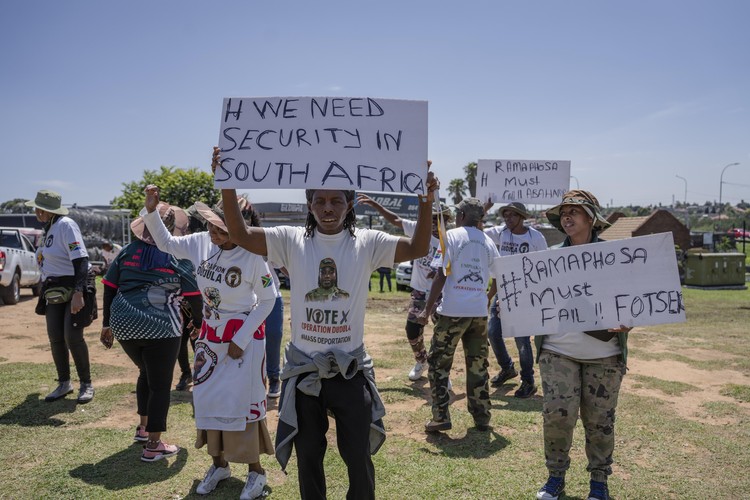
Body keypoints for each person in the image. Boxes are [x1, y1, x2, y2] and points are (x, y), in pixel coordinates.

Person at [213, 146, 438, 500]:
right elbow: (240, 234)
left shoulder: (367, 242)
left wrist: (426, 199)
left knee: (356, 454)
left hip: (351, 371)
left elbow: (419, 246)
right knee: (309, 456)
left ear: (350, 204)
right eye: (320, 201)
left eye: (336, 200)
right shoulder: (291, 240)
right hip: (304, 372)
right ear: (309, 204)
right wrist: (226, 182)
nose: (328, 208)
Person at [142, 186, 277, 499]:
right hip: (209, 338)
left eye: (222, 228)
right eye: (212, 224)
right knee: (206, 401)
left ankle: (256, 473)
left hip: (242, 340)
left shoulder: (253, 255)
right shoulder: (201, 242)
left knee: (241, 405)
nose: (213, 232)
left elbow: (268, 300)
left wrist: (241, 338)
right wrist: (151, 211)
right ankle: (219, 465)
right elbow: (167, 243)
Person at [534, 190, 632, 500]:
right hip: (557, 351)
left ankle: (599, 483)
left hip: (604, 355)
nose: (566, 216)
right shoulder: (547, 258)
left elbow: (634, 299)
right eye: (564, 212)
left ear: (591, 219)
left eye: (574, 211)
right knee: (558, 414)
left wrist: (631, 319)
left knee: (600, 420)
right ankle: (555, 477)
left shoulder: (614, 257)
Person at [99, 201, 202, 462]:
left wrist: (106, 323)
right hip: (161, 326)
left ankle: (143, 429)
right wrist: (200, 325)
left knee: (145, 372)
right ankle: (154, 445)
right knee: (160, 385)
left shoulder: (126, 251)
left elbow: (110, 286)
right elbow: (192, 295)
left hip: (123, 324)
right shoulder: (177, 255)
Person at [417, 198, 499, 433]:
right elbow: (499, 276)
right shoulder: (488, 242)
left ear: (461, 215)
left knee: (439, 364)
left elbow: (441, 274)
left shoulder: (451, 236)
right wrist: (487, 298)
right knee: (478, 365)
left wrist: (427, 309)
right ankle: (482, 417)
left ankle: (441, 415)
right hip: (479, 314)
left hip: (452, 313)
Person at [356, 193, 453, 381]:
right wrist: (375, 205)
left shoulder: (449, 239)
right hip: (419, 291)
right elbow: (395, 219)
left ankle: (441, 371)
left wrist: (441, 271)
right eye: (431, 219)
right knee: (412, 329)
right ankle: (421, 360)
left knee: (441, 332)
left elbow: (454, 265)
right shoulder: (418, 230)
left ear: (446, 221)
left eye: (438, 219)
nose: (433, 223)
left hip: (442, 293)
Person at [26, 190, 95, 404]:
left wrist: (78, 293)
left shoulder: (66, 225)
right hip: (55, 287)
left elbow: (81, 260)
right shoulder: (48, 229)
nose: (36, 212)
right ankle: (64, 383)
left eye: (39, 208)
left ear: (48, 210)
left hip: (75, 284)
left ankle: (86, 383)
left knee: (72, 336)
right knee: (55, 336)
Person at [484, 202, 548, 398]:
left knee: (522, 341)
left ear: (522, 217)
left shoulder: (535, 237)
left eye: (512, 215)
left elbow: (545, 266)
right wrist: (485, 207)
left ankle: (528, 381)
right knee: (493, 333)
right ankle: (507, 368)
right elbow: (476, 228)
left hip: (525, 296)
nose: (508, 219)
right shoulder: (501, 232)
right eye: (506, 215)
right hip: (503, 294)